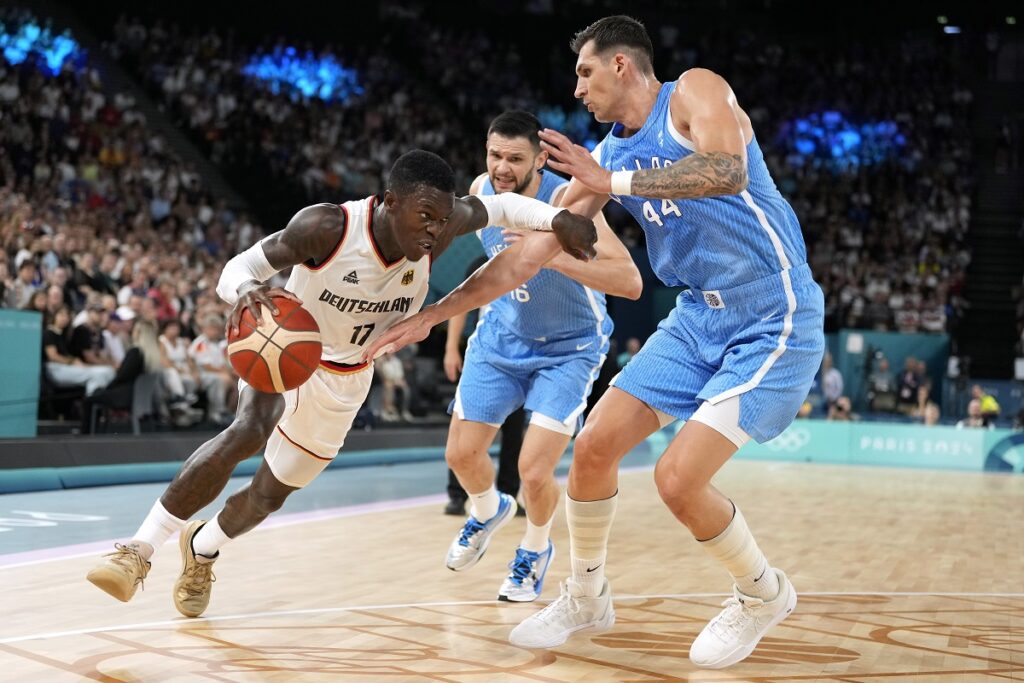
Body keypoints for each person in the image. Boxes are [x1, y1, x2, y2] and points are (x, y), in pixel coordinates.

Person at [367, 16, 825, 669]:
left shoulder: (695, 91)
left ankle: (761, 592)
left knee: (676, 478)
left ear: (620, 66)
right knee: (592, 449)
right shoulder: (605, 157)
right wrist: (436, 312)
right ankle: (586, 594)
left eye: (584, 72)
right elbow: (528, 256)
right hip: (698, 316)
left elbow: (725, 170)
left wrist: (616, 185)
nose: (577, 88)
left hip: (773, 310)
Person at [85, 149, 597, 618]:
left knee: (268, 495)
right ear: (390, 201)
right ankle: (137, 550)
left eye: (442, 221)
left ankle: (203, 548)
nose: (434, 232)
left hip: (349, 378)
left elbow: (504, 206)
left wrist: (559, 218)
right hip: (289, 353)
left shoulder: (441, 224)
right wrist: (244, 290)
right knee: (250, 428)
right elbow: (239, 266)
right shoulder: (326, 227)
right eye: (424, 218)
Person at [439, 110, 641, 603]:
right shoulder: (482, 189)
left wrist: (552, 252)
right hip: (500, 340)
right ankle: (487, 510)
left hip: (569, 349)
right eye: (495, 155)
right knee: (461, 455)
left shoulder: (566, 203)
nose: (501, 167)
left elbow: (630, 281)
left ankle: (534, 550)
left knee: (533, 469)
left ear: (540, 160)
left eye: (514, 158)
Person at [443, 255, 526, 518]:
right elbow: (459, 305)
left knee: (514, 432)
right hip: (486, 356)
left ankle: (508, 495)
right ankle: (457, 496)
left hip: (522, 357)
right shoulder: (480, 261)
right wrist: (450, 349)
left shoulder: (534, 260)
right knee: (465, 429)